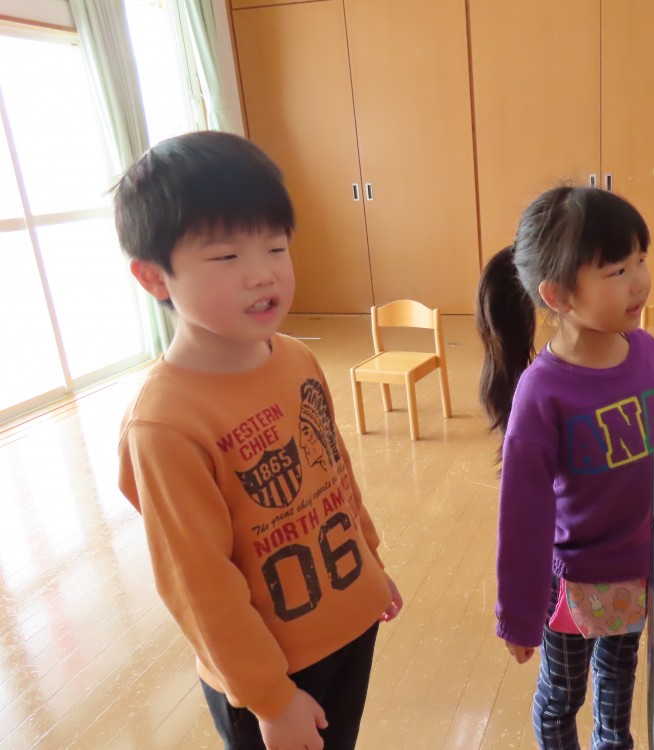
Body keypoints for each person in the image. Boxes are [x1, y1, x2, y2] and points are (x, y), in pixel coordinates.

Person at [114, 131, 402, 750]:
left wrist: (370, 564)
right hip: (273, 674)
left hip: (351, 623)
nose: (262, 273)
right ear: (154, 277)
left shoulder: (296, 358)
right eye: (225, 257)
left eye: (275, 246)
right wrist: (270, 696)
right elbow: (199, 584)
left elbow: (335, 473)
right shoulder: (166, 425)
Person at [475, 186, 654, 749]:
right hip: (574, 581)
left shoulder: (649, 353)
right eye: (617, 270)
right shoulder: (542, 392)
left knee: (618, 688)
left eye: (640, 259)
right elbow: (523, 514)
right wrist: (519, 614)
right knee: (561, 698)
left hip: (638, 571)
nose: (640, 281)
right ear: (559, 295)